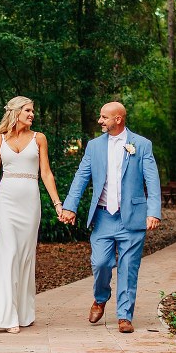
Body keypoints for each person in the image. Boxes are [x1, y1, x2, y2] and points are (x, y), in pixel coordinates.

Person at [60, 101, 161, 334]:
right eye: (99, 116)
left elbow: (152, 180)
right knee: (100, 262)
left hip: (133, 217)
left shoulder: (142, 145)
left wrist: (153, 211)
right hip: (104, 216)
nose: (99, 121)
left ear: (118, 119)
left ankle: (124, 316)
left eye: (104, 117)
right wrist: (70, 206)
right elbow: (81, 177)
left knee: (128, 267)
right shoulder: (94, 146)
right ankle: (100, 297)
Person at [0, 96, 63, 334]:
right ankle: (6, 316)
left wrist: (57, 203)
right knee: (8, 253)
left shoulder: (40, 139)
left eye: (33, 111)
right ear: (15, 112)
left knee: (26, 256)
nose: (32, 114)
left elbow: (46, 173)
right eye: (27, 110)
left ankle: (24, 312)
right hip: (6, 200)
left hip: (30, 200)